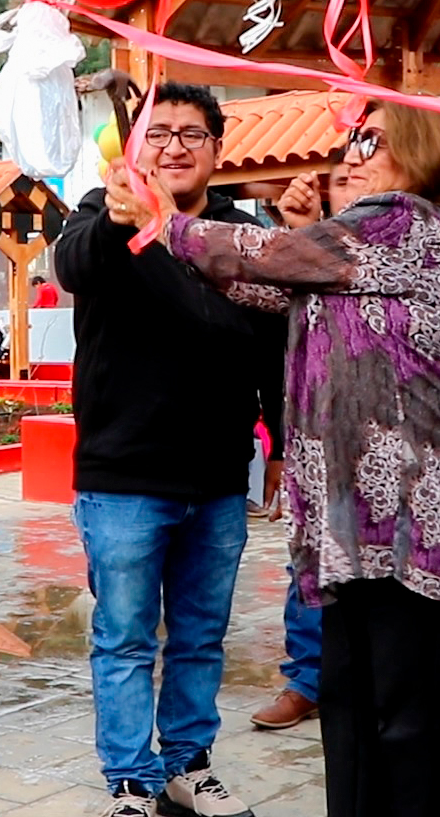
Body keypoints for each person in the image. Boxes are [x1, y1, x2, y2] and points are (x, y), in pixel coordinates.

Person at [113, 101, 440, 817]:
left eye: (371, 141)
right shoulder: (358, 243)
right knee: (350, 707)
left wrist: (168, 219)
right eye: (350, 139)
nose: (349, 154)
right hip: (359, 521)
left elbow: (271, 258)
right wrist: (163, 230)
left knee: (407, 723)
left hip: (418, 517)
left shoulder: (405, 220)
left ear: (423, 152)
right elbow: (261, 282)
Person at [53, 83, 284, 817]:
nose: (175, 147)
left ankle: (189, 764)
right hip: (122, 477)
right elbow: (72, 268)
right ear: (135, 148)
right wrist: (120, 216)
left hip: (217, 476)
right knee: (122, 637)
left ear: (217, 150)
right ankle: (129, 778)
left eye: (192, 134)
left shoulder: (241, 232)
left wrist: (275, 440)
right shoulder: (102, 217)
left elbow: (270, 344)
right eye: (160, 133)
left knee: (200, 635)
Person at [248, 148, 352, 737]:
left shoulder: (409, 241)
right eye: (336, 179)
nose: (348, 186)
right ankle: (306, 680)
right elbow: (273, 328)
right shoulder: (308, 250)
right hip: (317, 437)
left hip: (394, 444)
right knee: (308, 562)